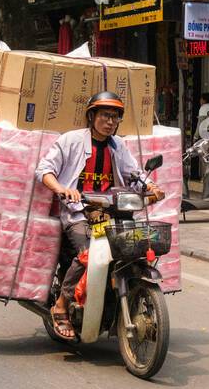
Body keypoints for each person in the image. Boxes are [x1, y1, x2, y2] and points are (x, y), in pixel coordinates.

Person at [36, 91, 160, 340]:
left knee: (134, 251)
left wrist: (151, 188)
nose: (111, 121)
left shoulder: (118, 145)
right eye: (105, 115)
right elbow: (44, 170)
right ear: (91, 116)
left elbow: (133, 175)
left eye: (115, 117)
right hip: (79, 213)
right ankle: (61, 306)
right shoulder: (71, 141)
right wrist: (62, 189)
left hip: (113, 212)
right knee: (88, 254)